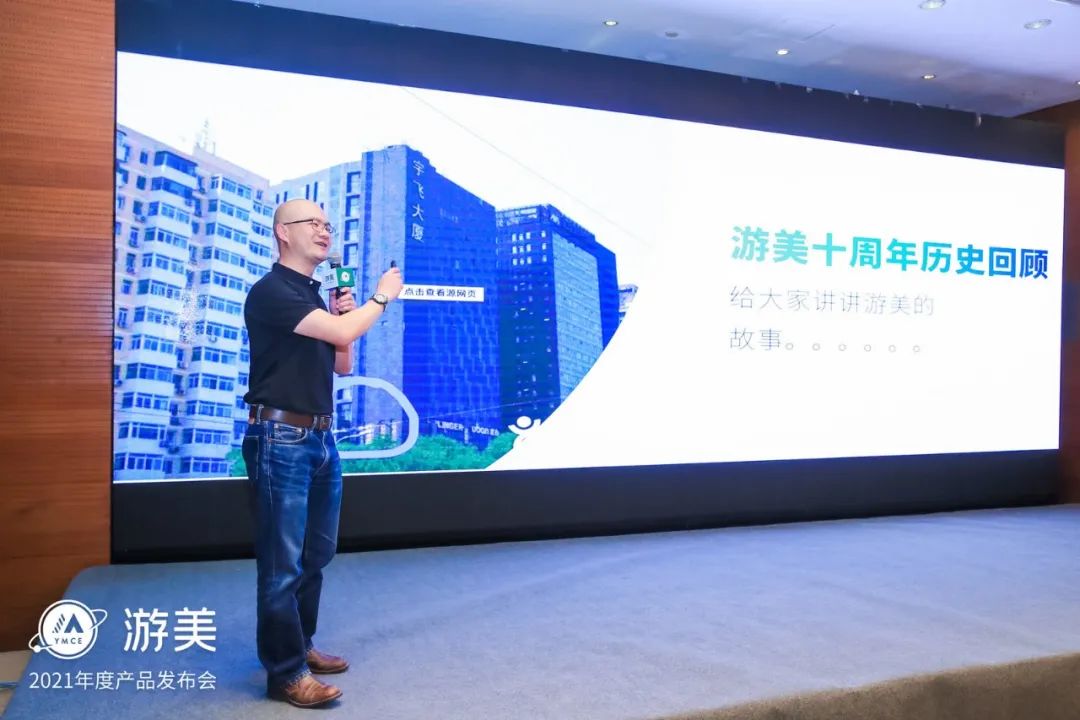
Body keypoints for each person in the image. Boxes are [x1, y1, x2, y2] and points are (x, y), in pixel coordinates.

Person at [242, 198, 403, 708]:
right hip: (280, 438)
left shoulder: (311, 294)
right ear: (282, 232)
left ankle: (302, 645)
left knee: (315, 554)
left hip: (320, 438)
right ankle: (285, 674)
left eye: (327, 224)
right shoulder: (272, 291)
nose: (324, 230)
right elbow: (342, 332)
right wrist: (381, 297)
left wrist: (345, 314)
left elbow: (342, 362)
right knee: (282, 564)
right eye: (312, 223)